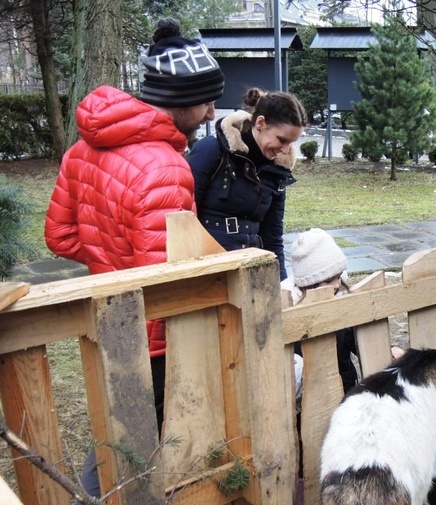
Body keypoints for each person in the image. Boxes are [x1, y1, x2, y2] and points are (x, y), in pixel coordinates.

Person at [44, 17, 223, 500]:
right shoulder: (167, 167)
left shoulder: (83, 148)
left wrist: (109, 261)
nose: (211, 113)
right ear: (179, 98)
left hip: (106, 314)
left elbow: (59, 236)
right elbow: (168, 275)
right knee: (144, 441)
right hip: (155, 335)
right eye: (207, 101)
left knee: (113, 430)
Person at [187, 88, 307, 279]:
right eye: (282, 140)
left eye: (291, 143)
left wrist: (281, 286)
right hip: (206, 270)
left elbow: (272, 236)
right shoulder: (212, 150)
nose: (285, 150)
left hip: (251, 271)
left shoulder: (277, 172)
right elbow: (184, 218)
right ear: (260, 123)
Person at [281, 228, 360, 392]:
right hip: (310, 390)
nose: (337, 284)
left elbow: (355, 338)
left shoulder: (341, 298)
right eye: (329, 281)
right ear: (310, 283)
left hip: (344, 383)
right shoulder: (293, 314)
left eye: (339, 277)